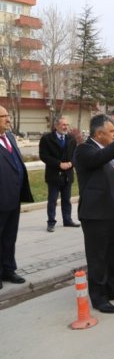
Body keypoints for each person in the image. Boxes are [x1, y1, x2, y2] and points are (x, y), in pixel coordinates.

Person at [74, 114, 114, 314]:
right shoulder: (85, 150)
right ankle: (99, 297)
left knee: (113, 254)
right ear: (99, 133)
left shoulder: (112, 151)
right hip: (96, 214)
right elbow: (100, 158)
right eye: (111, 132)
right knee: (98, 258)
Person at [0, 105, 34, 289]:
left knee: (9, 237)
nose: (8, 119)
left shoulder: (10, 137)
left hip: (14, 198)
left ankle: (8, 270)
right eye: (3, 116)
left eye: (7, 115)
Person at [39, 116, 79, 232]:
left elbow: (76, 155)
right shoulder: (46, 139)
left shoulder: (71, 139)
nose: (65, 127)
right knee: (52, 200)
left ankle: (67, 220)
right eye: (63, 125)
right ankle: (51, 222)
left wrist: (72, 163)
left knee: (66, 200)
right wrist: (59, 164)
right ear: (56, 126)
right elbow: (43, 156)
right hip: (54, 175)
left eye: (67, 125)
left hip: (68, 175)